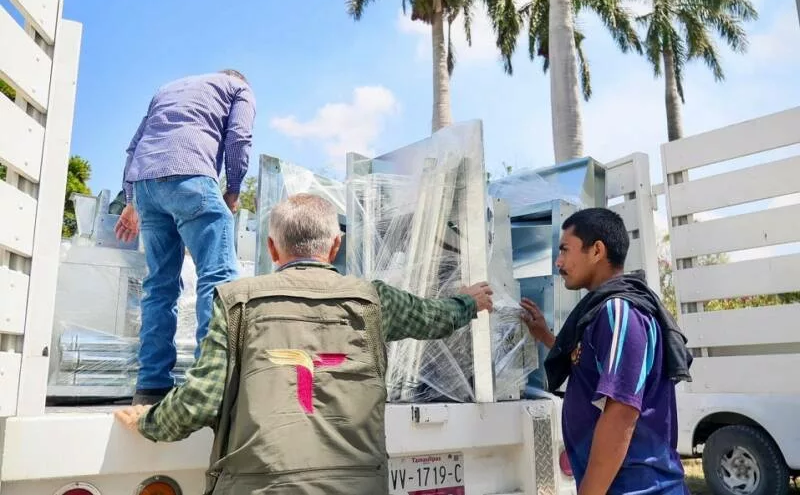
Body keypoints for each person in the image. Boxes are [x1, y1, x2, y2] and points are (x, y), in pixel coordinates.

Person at [115, 193, 494, 495]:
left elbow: (199, 402)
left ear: (272, 248)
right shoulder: (374, 300)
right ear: (335, 245)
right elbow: (433, 317)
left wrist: (148, 421)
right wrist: (468, 302)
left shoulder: (236, 303)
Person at [519, 208, 692, 495]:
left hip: (638, 488)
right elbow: (590, 362)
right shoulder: (606, 311)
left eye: (565, 250)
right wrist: (546, 337)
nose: (559, 261)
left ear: (597, 250)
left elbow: (621, 412)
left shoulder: (619, 311)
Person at [114, 70, 256, 405]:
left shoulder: (166, 88)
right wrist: (233, 190)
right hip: (191, 175)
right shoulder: (239, 88)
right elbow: (238, 138)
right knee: (218, 278)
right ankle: (212, 384)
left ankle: (150, 387)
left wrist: (131, 200)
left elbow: (134, 146)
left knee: (159, 285)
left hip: (146, 184)